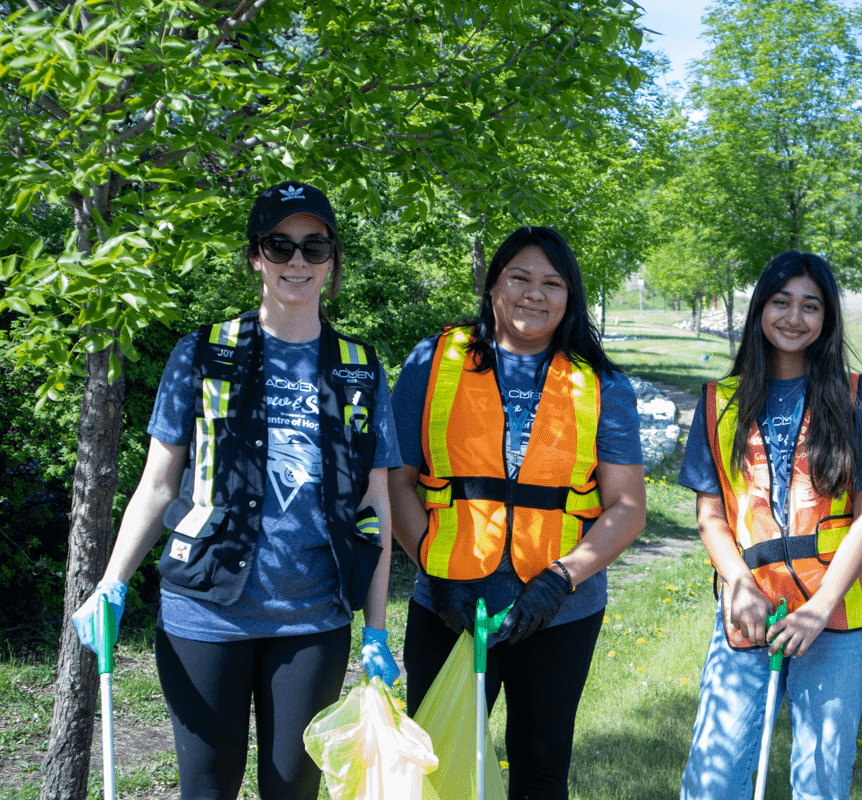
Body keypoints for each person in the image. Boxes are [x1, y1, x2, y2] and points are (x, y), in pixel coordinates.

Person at [71, 181, 401, 800]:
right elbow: (156, 484)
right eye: (279, 246)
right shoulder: (202, 352)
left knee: (292, 787)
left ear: (333, 260)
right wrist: (112, 583)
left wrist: (377, 630)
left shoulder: (360, 365)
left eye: (314, 246)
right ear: (256, 257)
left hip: (312, 617)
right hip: (204, 611)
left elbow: (373, 505)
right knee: (206, 787)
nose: (297, 262)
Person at [389, 225, 646, 799]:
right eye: (520, 278)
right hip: (447, 602)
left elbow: (626, 509)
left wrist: (559, 581)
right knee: (435, 763)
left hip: (559, 610)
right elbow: (397, 481)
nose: (535, 294)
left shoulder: (600, 383)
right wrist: (434, 569)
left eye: (552, 283)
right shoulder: (435, 361)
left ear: (570, 297)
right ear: (492, 287)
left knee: (541, 767)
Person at [678, 251, 862, 800]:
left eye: (811, 306)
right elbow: (710, 515)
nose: (794, 317)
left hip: (836, 617)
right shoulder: (718, 403)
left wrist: (819, 610)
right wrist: (741, 587)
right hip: (748, 612)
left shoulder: (856, 397)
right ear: (759, 310)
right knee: (715, 775)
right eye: (781, 302)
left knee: (819, 781)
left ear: (827, 318)